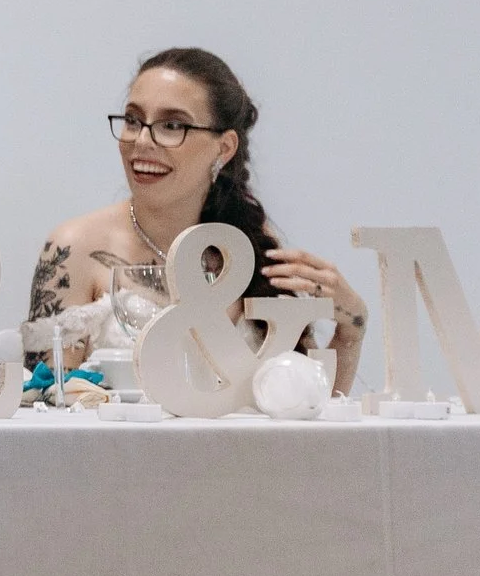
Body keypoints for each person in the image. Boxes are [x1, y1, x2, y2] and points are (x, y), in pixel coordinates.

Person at [25, 46, 366, 392]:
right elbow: (45, 403)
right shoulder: (74, 248)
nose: (142, 141)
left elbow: (305, 403)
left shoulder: (247, 244)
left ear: (224, 148)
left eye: (172, 125)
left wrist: (350, 330)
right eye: (132, 120)